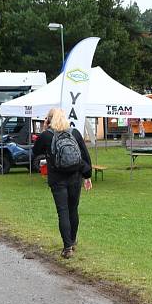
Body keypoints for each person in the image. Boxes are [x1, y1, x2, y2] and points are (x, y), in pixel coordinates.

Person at [32, 108, 93, 258]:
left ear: (49, 120)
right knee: (73, 210)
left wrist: (45, 131)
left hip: (57, 179)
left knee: (63, 212)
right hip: (75, 177)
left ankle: (67, 248)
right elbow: (85, 155)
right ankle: (72, 242)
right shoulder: (74, 133)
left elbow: (35, 151)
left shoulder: (47, 135)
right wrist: (87, 176)